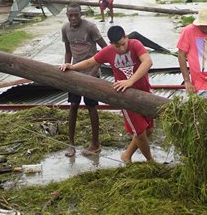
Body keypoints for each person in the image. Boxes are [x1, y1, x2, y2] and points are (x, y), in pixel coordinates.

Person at [59, 26, 154, 163]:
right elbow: (90, 62)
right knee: (140, 132)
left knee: (149, 130)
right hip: (125, 97)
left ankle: (126, 155)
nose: (121, 48)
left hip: (145, 93)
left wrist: (131, 80)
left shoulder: (135, 44)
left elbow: (147, 62)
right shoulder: (108, 52)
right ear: (110, 44)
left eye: (123, 44)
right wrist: (72, 67)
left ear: (126, 37)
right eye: (117, 46)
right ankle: (150, 161)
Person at [61, 2, 108, 157]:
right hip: (75, 73)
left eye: (76, 14)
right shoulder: (65, 29)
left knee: (91, 107)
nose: (73, 18)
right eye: (70, 15)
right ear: (67, 15)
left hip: (91, 73)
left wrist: (94, 71)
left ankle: (95, 144)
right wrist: (66, 65)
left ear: (81, 14)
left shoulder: (90, 27)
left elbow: (105, 50)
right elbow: (68, 51)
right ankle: (71, 144)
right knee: (73, 105)